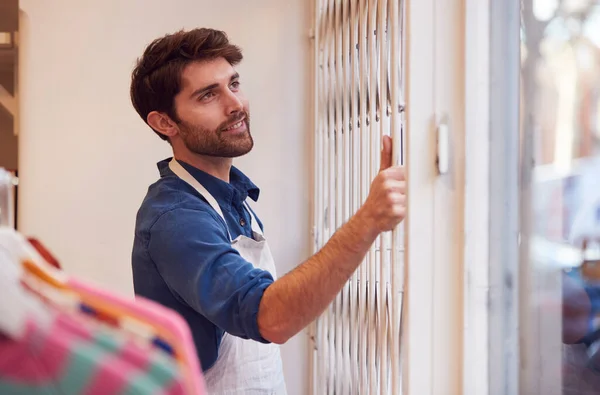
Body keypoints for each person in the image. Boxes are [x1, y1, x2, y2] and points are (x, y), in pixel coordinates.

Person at [129, 28, 406, 394]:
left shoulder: (232, 195)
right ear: (165, 122)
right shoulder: (175, 218)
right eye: (208, 95)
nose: (235, 105)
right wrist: (368, 220)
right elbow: (270, 318)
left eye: (234, 84)